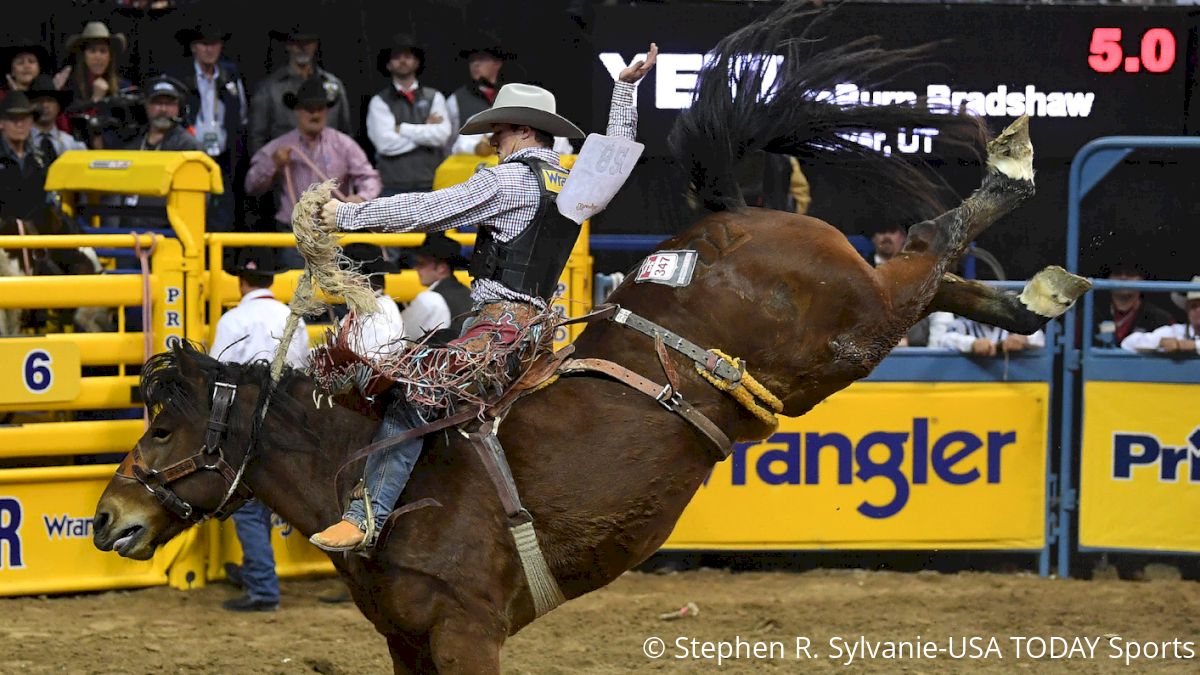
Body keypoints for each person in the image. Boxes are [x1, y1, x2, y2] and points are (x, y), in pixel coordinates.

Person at [308, 43, 659, 553]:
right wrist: (624, 90)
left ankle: (367, 516)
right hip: (539, 328)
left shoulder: (509, 180)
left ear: (523, 129)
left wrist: (345, 217)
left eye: (500, 129)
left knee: (415, 398)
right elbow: (615, 155)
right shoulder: (573, 177)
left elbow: (430, 210)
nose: (492, 139)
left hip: (499, 329)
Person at [209, 246, 308, 612]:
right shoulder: (290, 316)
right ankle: (257, 573)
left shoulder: (234, 320)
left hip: (248, 423)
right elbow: (303, 368)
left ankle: (263, 585)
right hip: (289, 420)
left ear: (240, 281)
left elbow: (220, 373)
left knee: (248, 506)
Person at [245, 74, 380, 268]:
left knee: (336, 289)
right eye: (309, 109)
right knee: (299, 288)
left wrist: (361, 198)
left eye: (320, 109)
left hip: (335, 233)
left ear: (327, 111)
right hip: (296, 236)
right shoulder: (280, 146)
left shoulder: (343, 144)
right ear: (297, 111)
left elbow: (369, 177)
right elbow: (251, 185)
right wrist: (272, 164)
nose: (315, 115)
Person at [171, 21, 249, 232]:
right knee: (192, 215)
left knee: (222, 218)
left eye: (214, 44)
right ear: (193, 47)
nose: (209, 49)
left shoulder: (230, 76)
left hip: (223, 159)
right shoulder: (181, 77)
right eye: (203, 44)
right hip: (191, 157)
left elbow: (241, 117)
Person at [367, 34, 451, 197]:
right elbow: (385, 144)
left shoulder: (434, 97)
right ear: (388, 65)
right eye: (396, 57)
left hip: (433, 184)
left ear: (417, 62)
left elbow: (442, 136)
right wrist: (426, 129)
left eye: (408, 56)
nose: (403, 61)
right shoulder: (379, 101)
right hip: (392, 188)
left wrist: (403, 129)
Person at [249, 25, 351, 155]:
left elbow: (345, 132)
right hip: (287, 168)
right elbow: (257, 138)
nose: (303, 48)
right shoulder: (269, 89)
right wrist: (267, 169)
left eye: (308, 43)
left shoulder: (333, 85)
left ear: (315, 45)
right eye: (297, 43)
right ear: (288, 46)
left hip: (329, 167)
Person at [62, 21, 133, 149]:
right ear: (83, 56)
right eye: (92, 51)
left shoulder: (123, 87)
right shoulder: (71, 87)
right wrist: (94, 101)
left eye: (103, 51)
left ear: (110, 56)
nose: (98, 57)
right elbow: (68, 128)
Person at [864, 222, 929, 347]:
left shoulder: (919, 274)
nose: (887, 236)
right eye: (882, 232)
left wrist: (911, 341)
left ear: (903, 237)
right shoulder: (860, 272)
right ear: (873, 238)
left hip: (912, 349)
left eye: (892, 231)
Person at [400, 233, 472, 345]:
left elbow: (402, 334)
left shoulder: (429, 299)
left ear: (441, 269)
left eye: (421, 264)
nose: (416, 268)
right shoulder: (468, 292)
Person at [1093, 262, 1175, 348]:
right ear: (1108, 279)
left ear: (1142, 279)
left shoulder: (1161, 318)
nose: (1123, 278)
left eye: (1130, 274)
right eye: (1117, 273)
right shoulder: (1090, 315)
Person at [0, 91, 50, 221]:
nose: (20, 125)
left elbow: (48, 201)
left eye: (24, 118)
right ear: (1, 123)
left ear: (31, 123)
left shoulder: (40, 159)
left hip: (35, 234)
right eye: (13, 119)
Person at [1121, 277, 1199, 355]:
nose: (1199, 310)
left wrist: (1194, 346)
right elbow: (1127, 343)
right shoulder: (1176, 331)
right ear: (1187, 310)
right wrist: (1158, 342)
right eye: (1193, 306)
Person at [124, 75, 202, 152]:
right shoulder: (130, 142)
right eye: (157, 103)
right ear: (146, 105)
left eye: (169, 104)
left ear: (179, 108)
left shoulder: (189, 147)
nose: (163, 109)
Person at [928, 310, 1044, 356]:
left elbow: (1039, 338)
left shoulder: (1012, 324)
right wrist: (972, 344)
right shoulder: (963, 324)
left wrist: (1024, 339)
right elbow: (944, 340)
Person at [28, 75, 84, 163]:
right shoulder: (20, 142)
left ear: (58, 107)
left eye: (50, 100)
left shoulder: (72, 145)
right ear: (30, 106)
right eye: (39, 100)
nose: (45, 105)